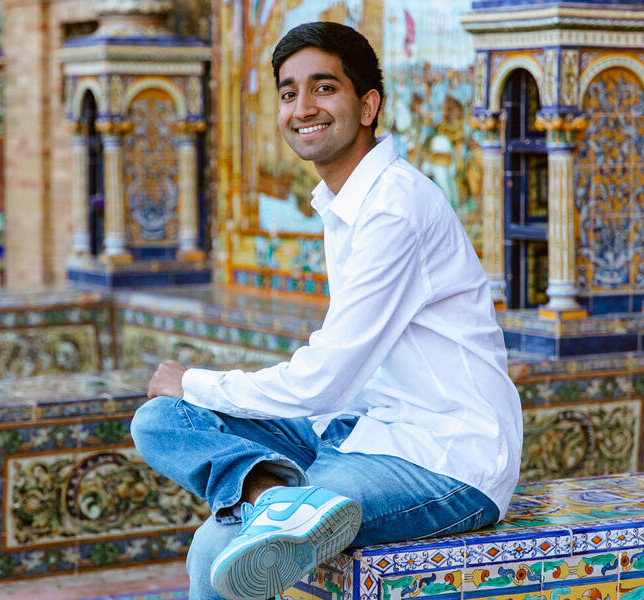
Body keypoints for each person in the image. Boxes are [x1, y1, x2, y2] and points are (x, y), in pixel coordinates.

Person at [131, 21, 522, 600]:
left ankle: (287, 506)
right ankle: (275, 500)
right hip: (361, 430)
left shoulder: (394, 207)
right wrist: (192, 395)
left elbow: (328, 376)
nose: (302, 106)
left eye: (323, 88)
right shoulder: (346, 202)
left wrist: (195, 379)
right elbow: (340, 387)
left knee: (215, 549)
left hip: (447, 457)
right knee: (163, 420)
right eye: (289, 93)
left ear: (368, 105)